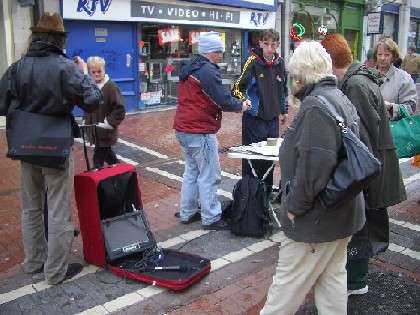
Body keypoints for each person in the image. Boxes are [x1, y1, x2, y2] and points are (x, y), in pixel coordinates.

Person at [260, 41, 365, 315]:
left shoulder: (315, 106)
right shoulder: (339, 97)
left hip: (317, 220)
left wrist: (293, 208)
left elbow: (313, 171)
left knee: (283, 293)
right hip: (343, 213)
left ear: (300, 75)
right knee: (332, 284)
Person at [0, 13, 102, 285]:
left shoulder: (18, 66)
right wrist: (82, 75)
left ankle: (34, 262)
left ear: (35, 37)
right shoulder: (66, 67)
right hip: (55, 147)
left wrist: (25, 110)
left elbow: (1, 104)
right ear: (59, 39)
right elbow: (92, 100)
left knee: (30, 208)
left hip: (24, 145)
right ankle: (55, 272)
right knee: (58, 210)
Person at [321, 33, 406, 296]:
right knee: (363, 222)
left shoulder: (355, 85)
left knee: (360, 224)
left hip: (368, 170)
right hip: (372, 166)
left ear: (330, 61)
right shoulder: (357, 79)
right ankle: (356, 279)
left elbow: (363, 138)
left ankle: (355, 282)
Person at [173, 32, 251, 230]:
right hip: (200, 130)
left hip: (183, 128)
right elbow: (222, 99)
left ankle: (187, 212)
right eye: (219, 51)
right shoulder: (206, 70)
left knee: (192, 171)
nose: (221, 55)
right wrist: (241, 105)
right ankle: (211, 217)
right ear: (210, 51)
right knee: (209, 174)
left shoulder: (191, 66)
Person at [232, 29, 288, 193]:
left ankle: (266, 193)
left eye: (273, 44)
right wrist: (246, 102)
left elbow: (282, 89)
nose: (270, 48)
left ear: (277, 45)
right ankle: (250, 197)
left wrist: (283, 110)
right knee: (253, 159)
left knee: (269, 157)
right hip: (254, 121)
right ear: (261, 44)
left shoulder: (280, 63)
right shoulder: (252, 62)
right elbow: (236, 89)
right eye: (266, 44)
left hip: (272, 121)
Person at [84, 56, 125, 169]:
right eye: (93, 72)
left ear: (104, 70)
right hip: (95, 130)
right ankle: (120, 171)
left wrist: (109, 123)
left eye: (99, 71)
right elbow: (88, 105)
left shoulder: (111, 87)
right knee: (109, 156)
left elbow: (120, 108)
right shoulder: (91, 87)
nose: (96, 74)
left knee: (98, 159)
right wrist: (86, 119)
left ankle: (96, 176)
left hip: (105, 131)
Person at [374, 37, 417, 119]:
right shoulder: (365, 75)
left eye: (387, 55)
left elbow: (411, 108)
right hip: (367, 129)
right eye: (379, 54)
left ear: (393, 57)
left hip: (392, 129)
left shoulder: (404, 78)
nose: (382, 58)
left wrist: (391, 107)